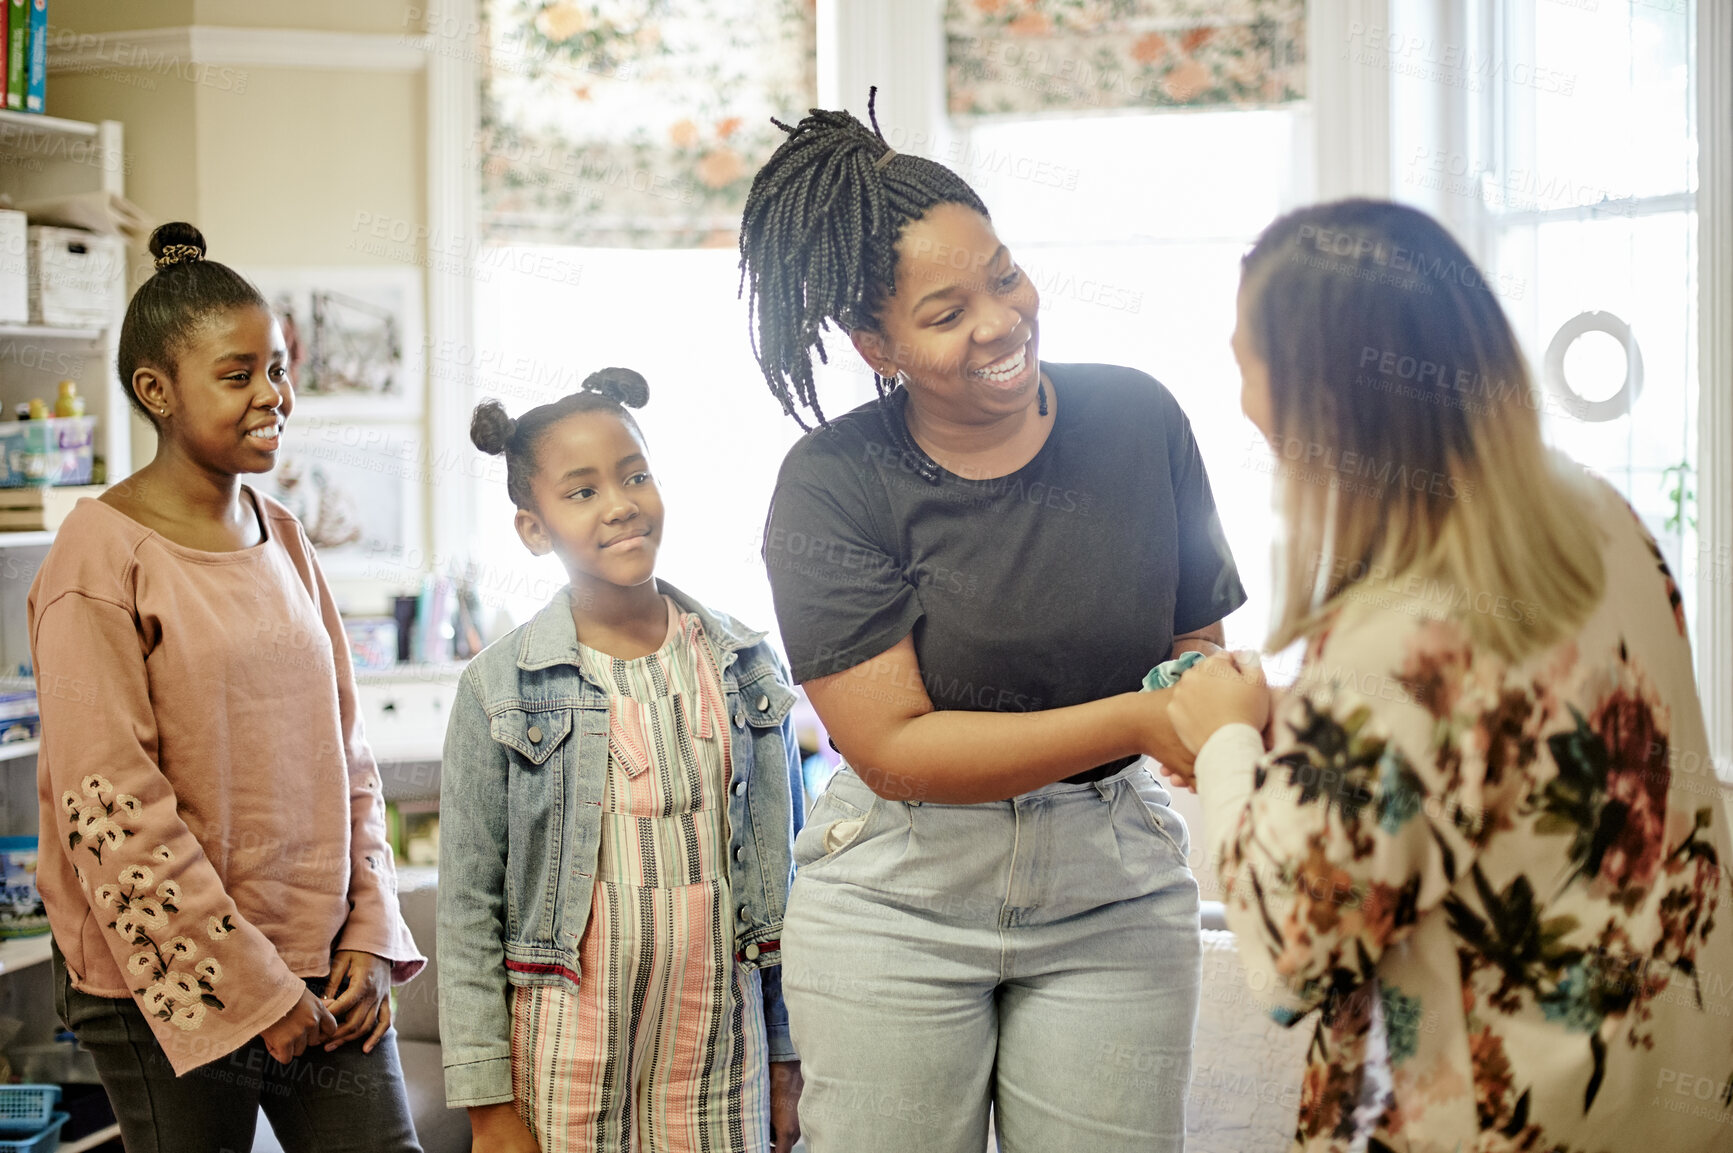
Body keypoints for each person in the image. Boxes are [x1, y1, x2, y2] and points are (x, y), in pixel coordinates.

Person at [736, 91, 1245, 1152]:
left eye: (1003, 275)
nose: (1001, 321)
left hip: (1113, 886)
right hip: (898, 897)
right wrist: (1142, 722)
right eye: (945, 312)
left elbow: (1193, 639)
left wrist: (1197, 705)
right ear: (874, 341)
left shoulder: (1137, 419)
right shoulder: (832, 484)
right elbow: (897, 749)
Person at [1170, 198, 1733, 1152]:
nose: (1239, 398)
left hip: (1491, 1115)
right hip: (1664, 1084)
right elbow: (1502, 736)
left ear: (1324, 398)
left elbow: (1283, 960)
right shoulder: (1596, 515)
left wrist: (1225, 738)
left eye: (1242, 363)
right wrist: (1312, 731)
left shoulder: (1392, 636)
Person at [27, 223, 425, 1153]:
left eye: (278, 368)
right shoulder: (98, 558)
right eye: (238, 373)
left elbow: (348, 755)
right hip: (162, 977)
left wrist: (368, 928)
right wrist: (250, 989)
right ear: (155, 391)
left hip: (325, 962)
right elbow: (111, 806)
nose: (272, 396)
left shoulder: (284, 534)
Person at [438, 369, 805, 1153]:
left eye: (634, 474)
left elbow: (783, 885)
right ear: (533, 529)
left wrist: (785, 1054)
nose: (619, 502)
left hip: (717, 1039)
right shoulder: (498, 686)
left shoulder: (743, 663)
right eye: (581, 491)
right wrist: (486, 1104)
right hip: (567, 1043)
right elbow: (468, 903)